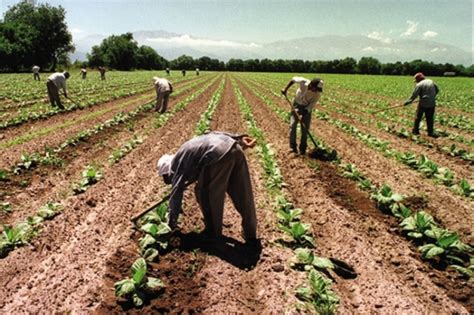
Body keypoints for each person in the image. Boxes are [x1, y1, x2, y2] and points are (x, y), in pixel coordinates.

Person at [157, 131, 258, 242]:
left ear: (168, 171)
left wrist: (170, 224)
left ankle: (212, 233)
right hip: (235, 148)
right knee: (243, 194)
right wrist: (238, 140)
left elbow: (176, 193)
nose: (170, 181)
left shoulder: (177, 163)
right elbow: (214, 134)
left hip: (216, 155)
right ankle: (250, 233)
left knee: (205, 193)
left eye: (168, 178)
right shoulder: (186, 151)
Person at [281, 76, 324, 155]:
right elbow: (293, 79)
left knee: (305, 129)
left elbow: (311, 106)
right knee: (292, 125)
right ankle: (293, 147)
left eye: (318, 90)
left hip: (306, 108)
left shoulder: (317, 94)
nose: (316, 91)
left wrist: (303, 113)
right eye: (316, 89)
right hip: (296, 105)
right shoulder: (303, 82)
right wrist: (285, 89)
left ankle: (303, 148)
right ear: (312, 85)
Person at [404, 72, 440, 137]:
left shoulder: (419, 84)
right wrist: (431, 96)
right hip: (432, 103)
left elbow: (414, 95)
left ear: (418, 79)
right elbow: (437, 90)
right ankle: (430, 132)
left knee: (418, 117)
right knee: (430, 118)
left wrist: (408, 101)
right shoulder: (431, 81)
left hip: (423, 103)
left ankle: (415, 131)